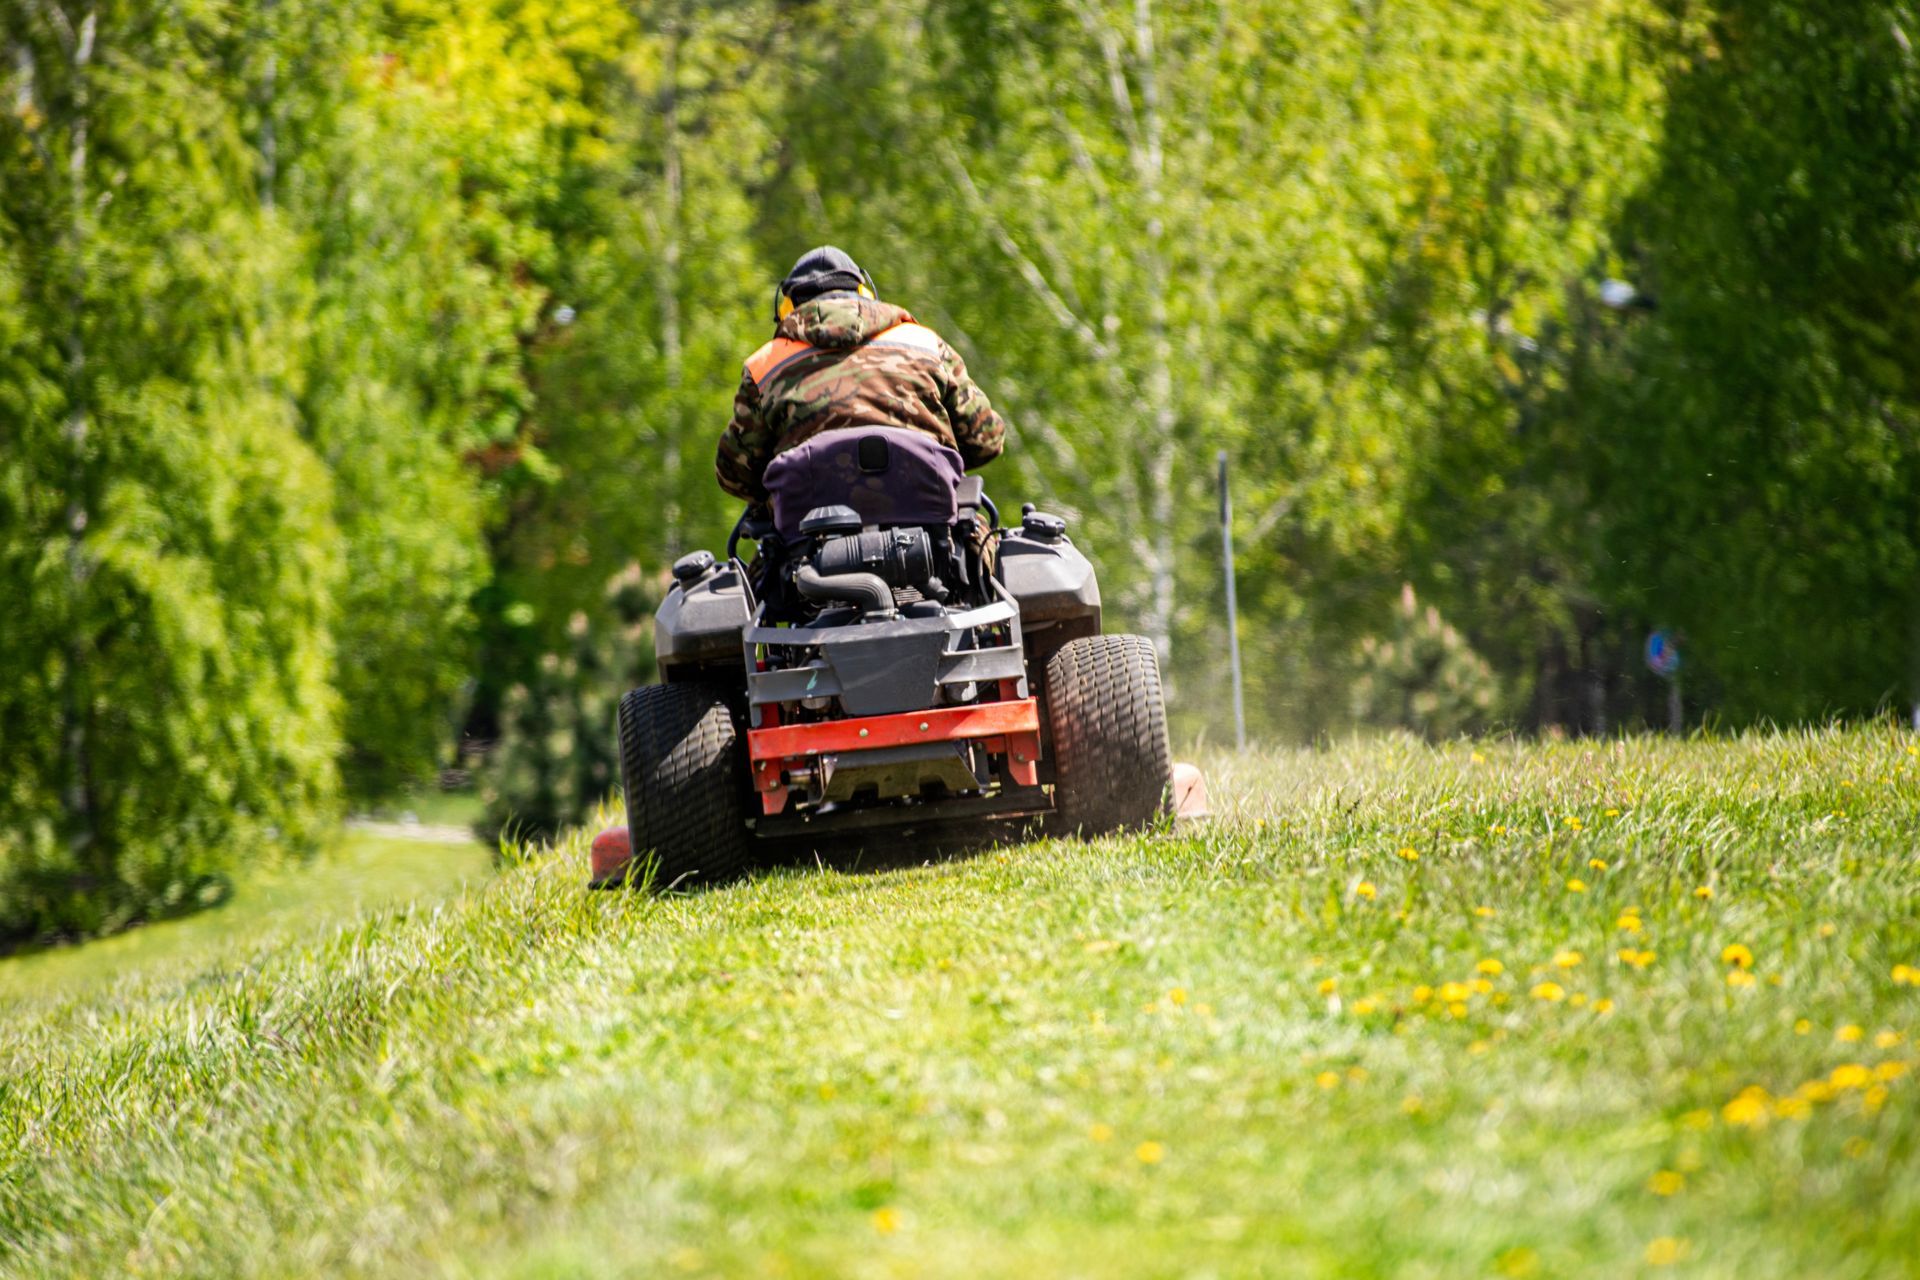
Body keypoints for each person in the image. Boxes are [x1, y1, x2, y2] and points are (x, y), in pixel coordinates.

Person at [715, 246, 1006, 507]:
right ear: (866, 295)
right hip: (932, 526)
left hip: (805, 540)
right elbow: (986, 439)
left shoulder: (764, 365)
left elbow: (735, 475)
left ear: (787, 309)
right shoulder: (925, 344)